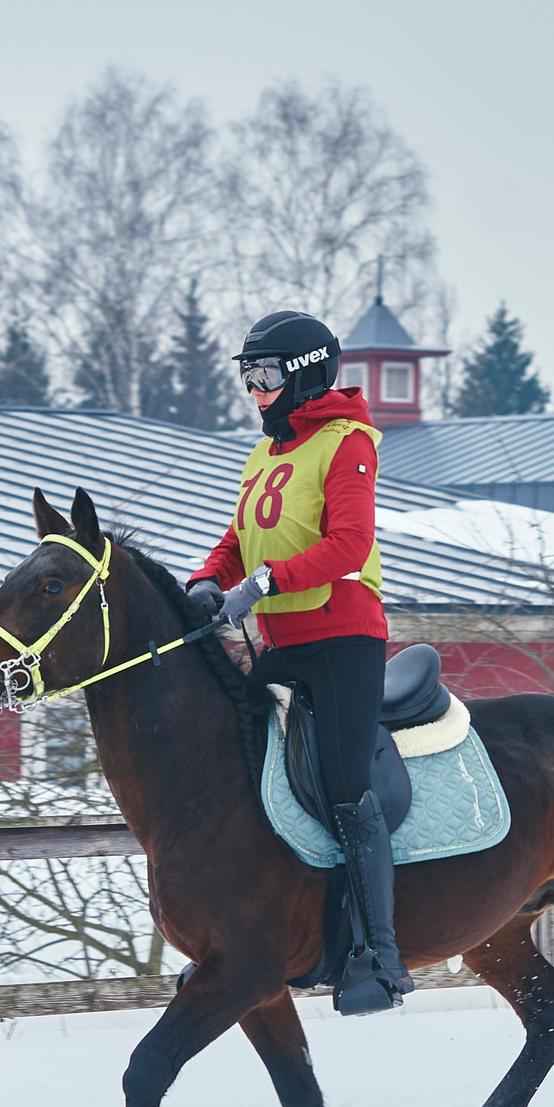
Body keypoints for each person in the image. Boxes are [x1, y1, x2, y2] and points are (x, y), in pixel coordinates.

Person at [187, 311, 411, 1016]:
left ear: (307, 372)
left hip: (341, 639)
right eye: (247, 378)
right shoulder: (266, 453)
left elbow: (348, 545)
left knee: (344, 786)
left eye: (265, 376)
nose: (254, 391)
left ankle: (379, 955)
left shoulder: (348, 445)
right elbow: (237, 540)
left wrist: (262, 583)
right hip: (283, 643)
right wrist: (205, 578)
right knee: (238, 758)